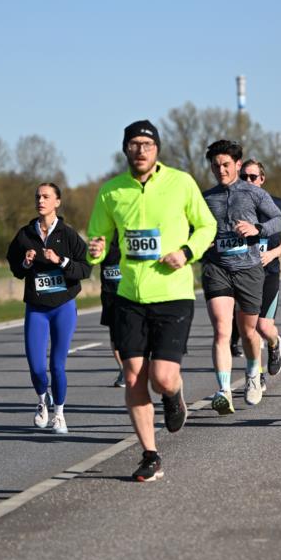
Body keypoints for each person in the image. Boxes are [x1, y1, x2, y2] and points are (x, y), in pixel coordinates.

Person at [87, 120, 216, 482]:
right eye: (134, 144)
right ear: (125, 149)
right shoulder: (111, 191)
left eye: (147, 144)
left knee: (161, 378)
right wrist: (95, 250)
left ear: (157, 149)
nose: (140, 150)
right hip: (128, 296)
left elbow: (207, 226)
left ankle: (173, 396)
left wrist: (186, 252)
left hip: (173, 294)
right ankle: (150, 454)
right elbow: (97, 238)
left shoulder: (181, 182)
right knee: (133, 376)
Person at [201, 140, 281, 414]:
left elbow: (280, 221)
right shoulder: (206, 197)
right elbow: (191, 227)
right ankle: (224, 391)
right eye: (216, 166)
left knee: (249, 331)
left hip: (249, 269)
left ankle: (253, 372)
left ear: (237, 165)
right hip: (217, 268)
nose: (221, 170)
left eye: (226, 165)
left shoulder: (254, 193)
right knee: (222, 329)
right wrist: (201, 241)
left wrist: (257, 229)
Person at [7, 182, 91, 434]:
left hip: (63, 306)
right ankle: (42, 401)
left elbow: (85, 268)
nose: (40, 201)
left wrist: (60, 260)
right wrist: (25, 263)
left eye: (46, 196)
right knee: (36, 366)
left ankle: (60, 415)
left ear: (57, 202)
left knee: (57, 365)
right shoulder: (25, 235)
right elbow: (15, 268)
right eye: (37, 197)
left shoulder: (68, 234)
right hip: (36, 308)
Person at [239, 158, 281, 390]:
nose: (248, 181)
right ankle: (257, 374)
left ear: (262, 179)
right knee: (249, 329)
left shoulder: (276, 204)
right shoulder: (232, 205)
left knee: (264, 328)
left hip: (268, 273)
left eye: (253, 177)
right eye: (243, 177)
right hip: (242, 275)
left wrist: (273, 253)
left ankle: (274, 344)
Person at [99, 230, 125, 387]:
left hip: (129, 294)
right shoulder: (103, 236)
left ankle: (137, 366)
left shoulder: (129, 233)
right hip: (109, 295)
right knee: (115, 336)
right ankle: (123, 370)